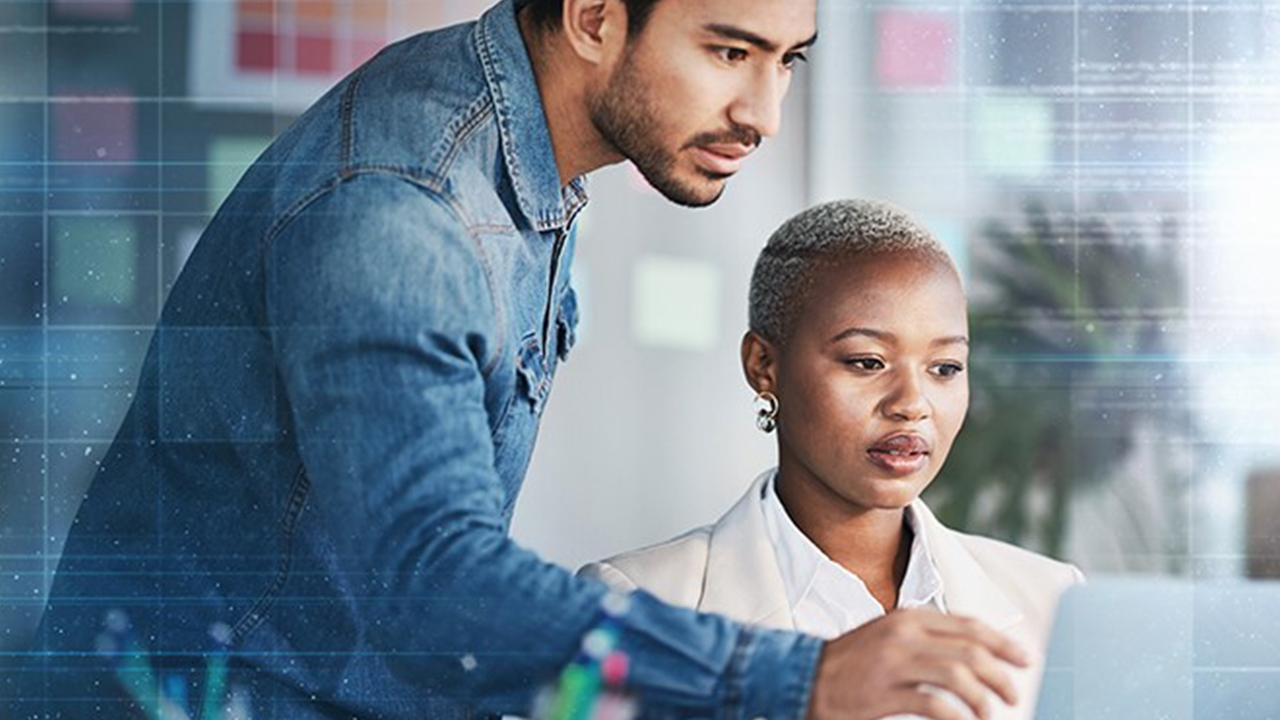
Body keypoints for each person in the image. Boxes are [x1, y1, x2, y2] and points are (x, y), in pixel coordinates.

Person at [9, 0, 1029, 717]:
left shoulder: (521, 155)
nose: (762, 113)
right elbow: (433, 584)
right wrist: (801, 682)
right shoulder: (405, 211)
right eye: (727, 52)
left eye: (786, 60)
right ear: (593, 16)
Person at [582, 199, 1085, 720]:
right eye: (867, 362)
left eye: (945, 368)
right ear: (763, 365)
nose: (912, 403)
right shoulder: (635, 604)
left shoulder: (1053, 601)